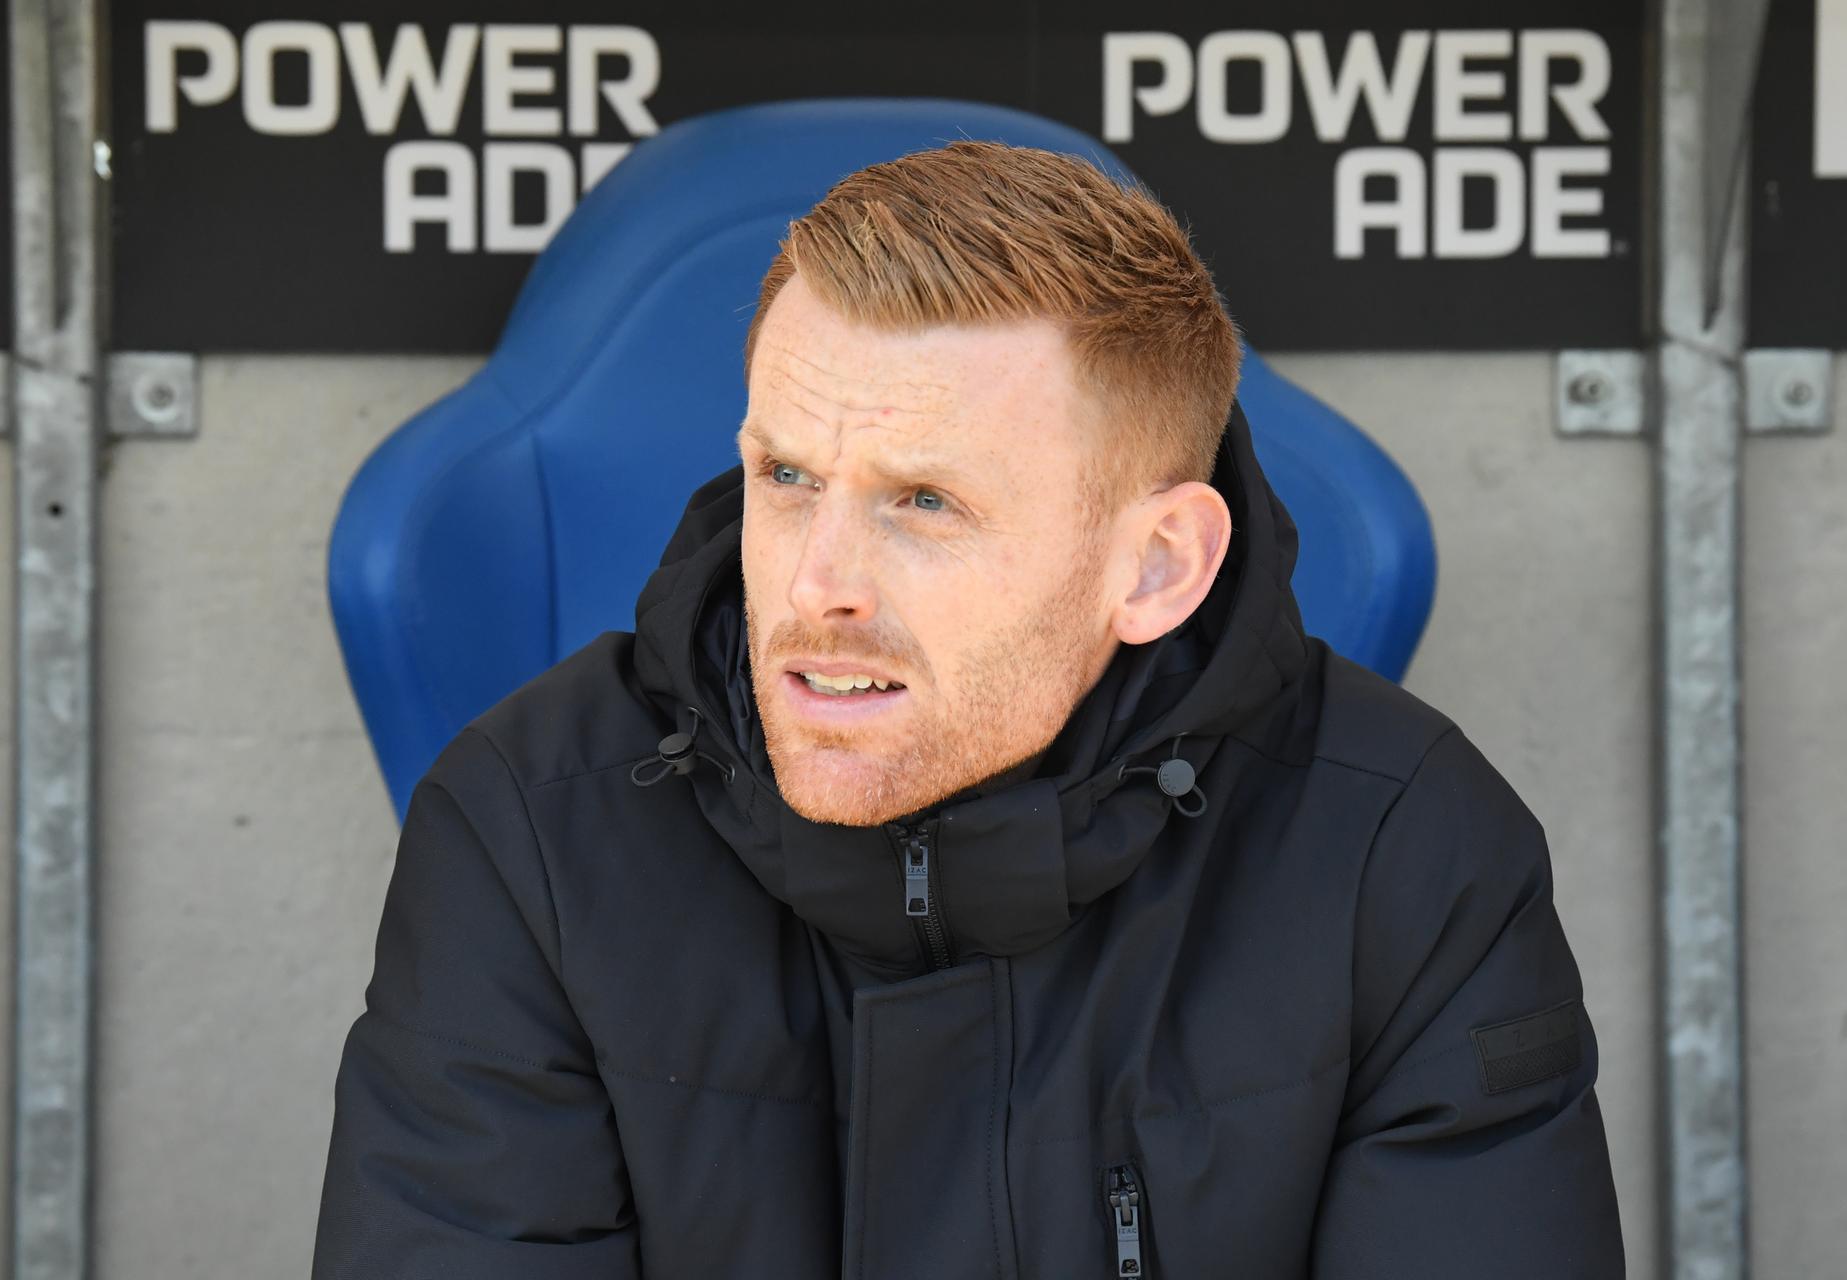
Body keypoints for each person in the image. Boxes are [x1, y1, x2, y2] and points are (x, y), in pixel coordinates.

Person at [310, 140, 1626, 1278]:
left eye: (925, 503)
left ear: (1156, 567)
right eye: (784, 474)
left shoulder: (1411, 859)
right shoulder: (530, 830)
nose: (816, 583)